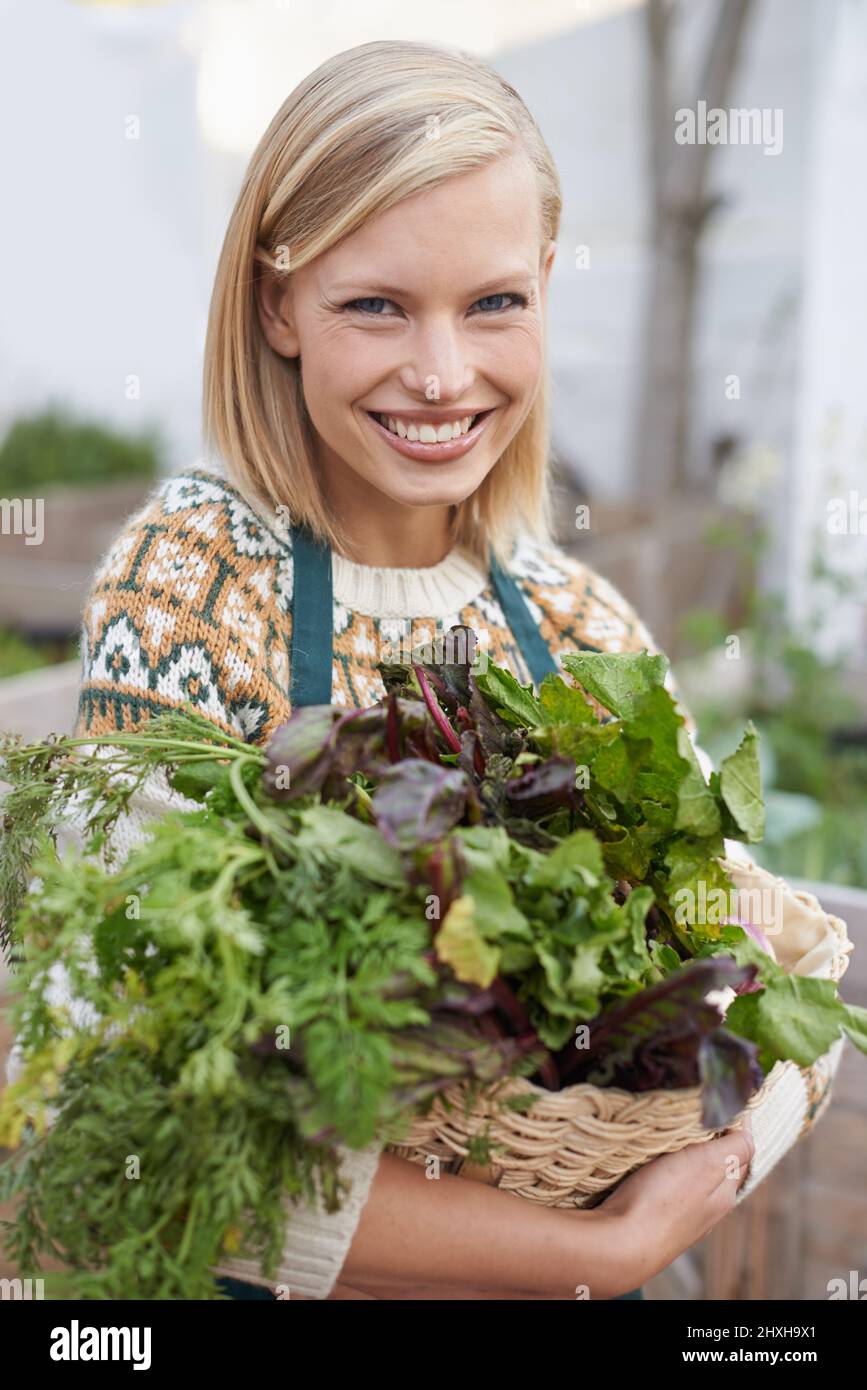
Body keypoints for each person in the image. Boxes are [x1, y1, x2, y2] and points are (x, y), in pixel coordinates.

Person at [47, 38, 757, 1300]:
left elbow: (753, 968)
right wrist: (602, 1251)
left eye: (494, 302)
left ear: (545, 284)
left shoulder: (579, 621)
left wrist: (728, 1148)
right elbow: (148, 1101)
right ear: (278, 304)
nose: (441, 375)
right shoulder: (196, 585)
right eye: (376, 304)